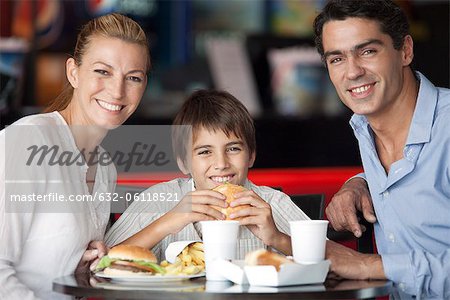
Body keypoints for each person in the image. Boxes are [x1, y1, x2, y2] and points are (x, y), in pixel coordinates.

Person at [0, 13, 150, 299]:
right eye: (102, 72)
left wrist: (78, 271)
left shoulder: (105, 168)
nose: (117, 91)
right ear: (73, 72)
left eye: (133, 77)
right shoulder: (28, 141)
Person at [313, 0, 450, 299]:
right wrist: (358, 183)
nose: (353, 72)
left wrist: (370, 266)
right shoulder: (365, 128)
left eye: (367, 51)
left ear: (405, 50)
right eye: (337, 59)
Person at [105, 89, 310, 260]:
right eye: (204, 152)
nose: (221, 164)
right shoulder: (159, 200)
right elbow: (103, 262)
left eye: (233, 149)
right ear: (183, 162)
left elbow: (328, 261)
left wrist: (277, 238)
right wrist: (167, 222)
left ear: (251, 156)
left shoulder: (272, 203)